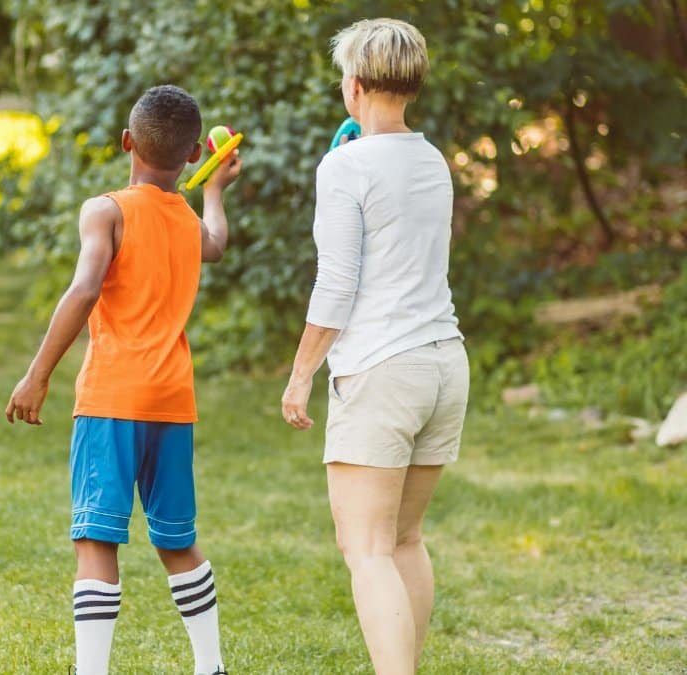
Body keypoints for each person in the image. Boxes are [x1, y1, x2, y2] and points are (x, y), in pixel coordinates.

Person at [5, 85, 241, 675]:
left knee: (96, 541)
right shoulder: (187, 219)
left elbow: (85, 288)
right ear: (191, 156)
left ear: (127, 142)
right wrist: (214, 190)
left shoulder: (105, 210)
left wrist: (38, 375)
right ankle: (210, 666)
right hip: (172, 402)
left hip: (111, 397)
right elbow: (216, 244)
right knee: (177, 539)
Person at [279, 19, 469, 675]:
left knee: (366, 548)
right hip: (444, 362)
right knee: (404, 537)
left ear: (353, 86)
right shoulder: (433, 159)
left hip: (383, 370)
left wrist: (301, 372)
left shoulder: (345, 165)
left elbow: (337, 283)